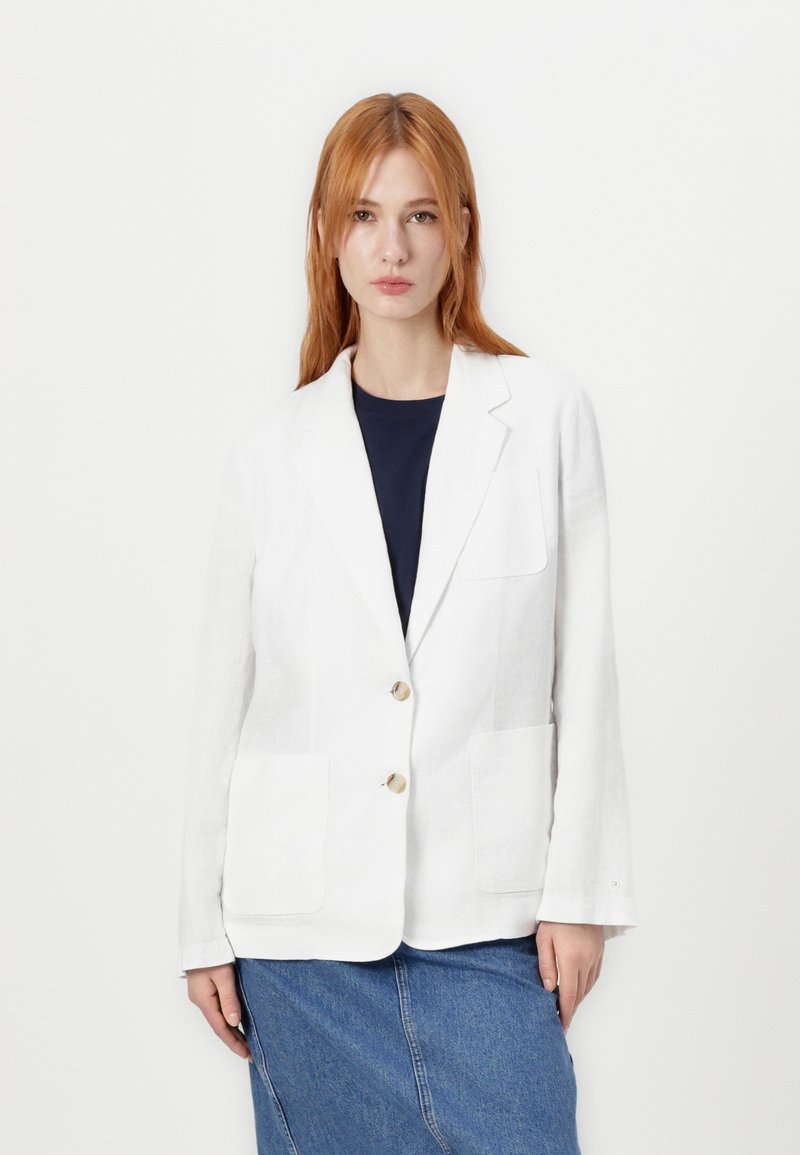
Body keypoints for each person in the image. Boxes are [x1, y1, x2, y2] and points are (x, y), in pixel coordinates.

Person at [177, 91, 638, 1155]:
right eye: (365, 215)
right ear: (326, 232)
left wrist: (580, 893)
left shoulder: (543, 416)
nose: (393, 247)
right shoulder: (271, 451)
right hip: (301, 937)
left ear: (461, 229)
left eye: (421, 215)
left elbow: (586, 670)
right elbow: (221, 703)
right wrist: (200, 925)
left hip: (487, 920)